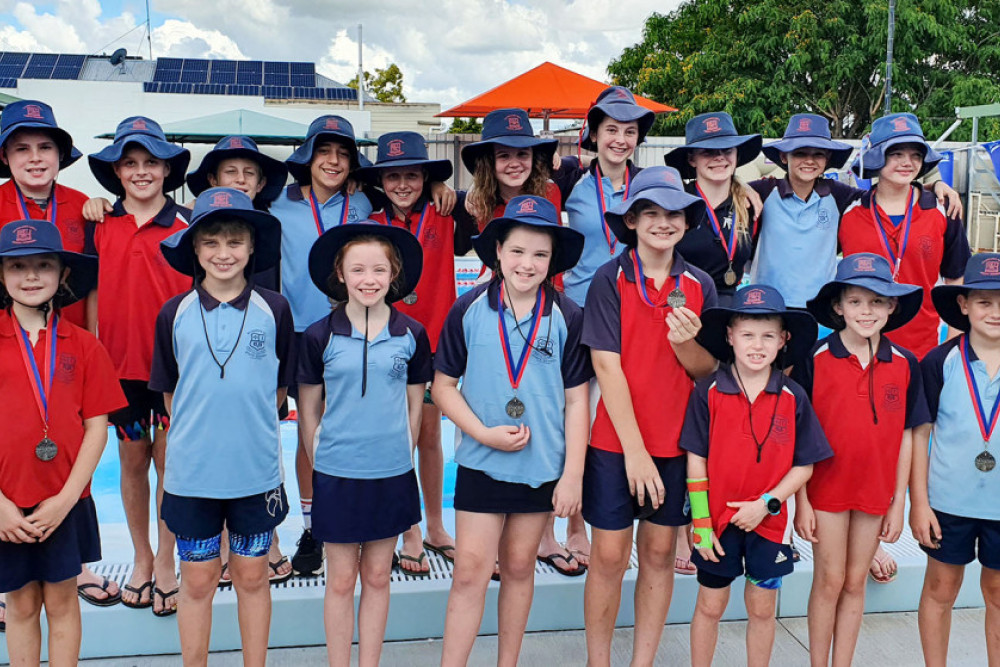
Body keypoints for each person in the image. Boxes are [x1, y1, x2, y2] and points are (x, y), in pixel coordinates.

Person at [753, 112, 962, 584]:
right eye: (799, 152)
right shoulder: (769, 196)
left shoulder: (844, 197)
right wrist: (750, 183)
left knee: (877, 437)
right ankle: (778, 523)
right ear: (783, 156)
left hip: (904, 342)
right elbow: (729, 189)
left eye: (818, 153)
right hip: (778, 328)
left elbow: (950, 267)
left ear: (830, 160)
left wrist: (938, 186)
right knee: (780, 425)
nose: (809, 160)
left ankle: (867, 537)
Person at [434, 196, 591, 666]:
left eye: (540, 254)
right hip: (482, 462)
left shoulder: (567, 315)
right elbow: (443, 388)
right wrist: (481, 434)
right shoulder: (468, 309)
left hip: (541, 466)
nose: (528, 263)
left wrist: (572, 477)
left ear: (553, 260)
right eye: (518, 251)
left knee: (521, 567)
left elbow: (578, 400)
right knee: (470, 572)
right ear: (497, 252)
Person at [150, 188, 293, 666]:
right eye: (211, 242)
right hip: (193, 476)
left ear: (252, 247)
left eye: (235, 241)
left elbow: (278, 392)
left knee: (253, 577)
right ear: (194, 248)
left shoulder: (275, 310)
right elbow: (172, 395)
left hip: (254, 473)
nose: (223, 253)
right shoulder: (174, 313)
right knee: (196, 581)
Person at [581, 166, 716, 667]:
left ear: (686, 221)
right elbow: (605, 367)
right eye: (652, 213)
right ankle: (600, 661)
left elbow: (707, 373)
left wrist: (686, 346)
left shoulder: (699, 284)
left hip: (677, 444)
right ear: (632, 220)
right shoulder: (610, 278)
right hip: (617, 446)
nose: (663, 223)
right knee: (610, 558)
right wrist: (635, 453)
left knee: (659, 555)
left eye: (673, 214)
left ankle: (643, 661)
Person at [0, 99, 125, 606]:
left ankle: (76, 567)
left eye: (45, 147)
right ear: (5, 157)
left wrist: (93, 337)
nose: (34, 158)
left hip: (68, 353)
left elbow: (94, 283)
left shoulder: (82, 206)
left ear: (61, 154)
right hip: (11, 347)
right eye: (21, 148)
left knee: (72, 450)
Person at [297, 222, 431, 667]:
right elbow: (309, 409)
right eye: (357, 269)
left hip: (390, 473)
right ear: (340, 273)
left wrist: (403, 453)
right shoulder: (321, 335)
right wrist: (321, 460)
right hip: (337, 474)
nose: (368, 279)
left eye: (378, 269)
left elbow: (415, 406)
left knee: (377, 575)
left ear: (394, 274)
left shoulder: (412, 334)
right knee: (339, 579)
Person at [681, 284, 832, 667]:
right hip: (716, 524)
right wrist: (700, 522)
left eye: (768, 335)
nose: (757, 345)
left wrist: (766, 504)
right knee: (710, 606)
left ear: (784, 340)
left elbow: (805, 465)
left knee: (762, 610)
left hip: (770, 525)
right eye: (747, 334)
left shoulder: (793, 396)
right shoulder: (708, 391)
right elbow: (695, 460)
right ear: (730, 336)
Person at [792, 253, 928, 666]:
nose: (865, 311)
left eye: (876, 301)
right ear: (838, 306)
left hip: (875, 490)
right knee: (829, 580)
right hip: (826, 489)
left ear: (891, 306)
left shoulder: (905, 364)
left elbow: (908, 434)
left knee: (855, 582)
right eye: (855, 301)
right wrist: (801, 501)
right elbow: (797, 437)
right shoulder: (814, 359)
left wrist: (898, 500)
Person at [0, 220, 126, 665]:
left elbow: (97, 427)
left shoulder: (85, 346)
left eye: (43, 265)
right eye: (17, 266)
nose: (31, 276)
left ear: (62, 274)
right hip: (6, 505)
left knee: (62, 601)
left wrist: (66, 499)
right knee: (20, 605)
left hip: (66, 501)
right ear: (1, 275)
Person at [85, 115, 192, 615]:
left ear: (168, 170)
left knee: (171, 463)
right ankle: (142, 558)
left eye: (151, 162)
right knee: (132, 463)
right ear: (117, 172)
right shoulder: (100, 225)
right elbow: (91, 295)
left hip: (176, 371)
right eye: (131, 163)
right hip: (120, 370)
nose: (141, 171)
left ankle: (167, 560)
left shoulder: (188, 224)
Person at [269, 114, 373, 576]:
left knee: (350, 429)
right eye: (324, 151)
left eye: (343, 153)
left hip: (351, 329)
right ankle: (313, 528)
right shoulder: (277, 202)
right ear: (307, 156)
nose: (333, 161)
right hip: (297, 333)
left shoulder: (364, 204)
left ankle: (354, 521)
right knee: (309, 431)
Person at [357, 131, 458, 574]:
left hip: (435, 343)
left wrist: (444, 190)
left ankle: (435, 525)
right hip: (386, 344)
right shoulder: (371, 224)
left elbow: (492, 202)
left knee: (430, 438)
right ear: (380, 181)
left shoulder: (448, 213)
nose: (403, 184)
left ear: (426, 178)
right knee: (396, 438)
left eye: (413, 176)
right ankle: (408, 529)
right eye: (393, 176)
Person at [914, 254, 1000, 667]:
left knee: (997, 593)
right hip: (948, 502)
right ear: (963, 304)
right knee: (940, 589)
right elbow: (919, 436)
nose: (994, 312)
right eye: (984, 302)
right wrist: (919, 503)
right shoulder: (939, 362)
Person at [841, 113, 971, 360]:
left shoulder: (943, 209)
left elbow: (957, 280)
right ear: (878, 157)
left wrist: (951, 347)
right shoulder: (848, 210)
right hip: (857, 349)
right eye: (896, 154)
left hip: (922, 349)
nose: (907, 162)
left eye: (915, 155)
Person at [664, 111, 762, 306]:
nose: (719, 157)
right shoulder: (674, 201)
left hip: (726, 310)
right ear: (692, 159)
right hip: (678, 303)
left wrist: (744, 186)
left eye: (727, 150)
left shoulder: (751, 205)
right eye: (708, 151)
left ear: (737, 155)